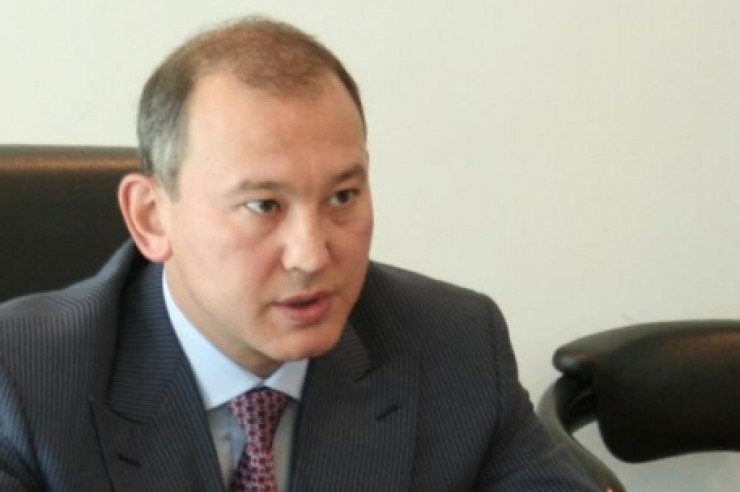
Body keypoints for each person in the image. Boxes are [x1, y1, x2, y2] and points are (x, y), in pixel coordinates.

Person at [0, 16, 598, 492]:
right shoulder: (23, 379)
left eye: (342, 196)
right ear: (152, 218)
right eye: (264, 205)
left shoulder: (454, 346)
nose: (311, 255)